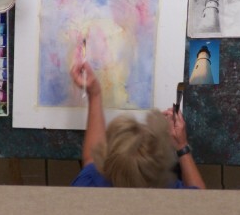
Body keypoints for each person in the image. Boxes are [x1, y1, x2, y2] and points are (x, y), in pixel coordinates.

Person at [70, 61, 206, 189]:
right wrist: (182, 146)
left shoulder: (90, 185)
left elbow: (90, 160)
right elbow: (201, 202)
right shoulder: (167, 192)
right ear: (161, 167)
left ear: (106, 165)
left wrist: (94, 94)